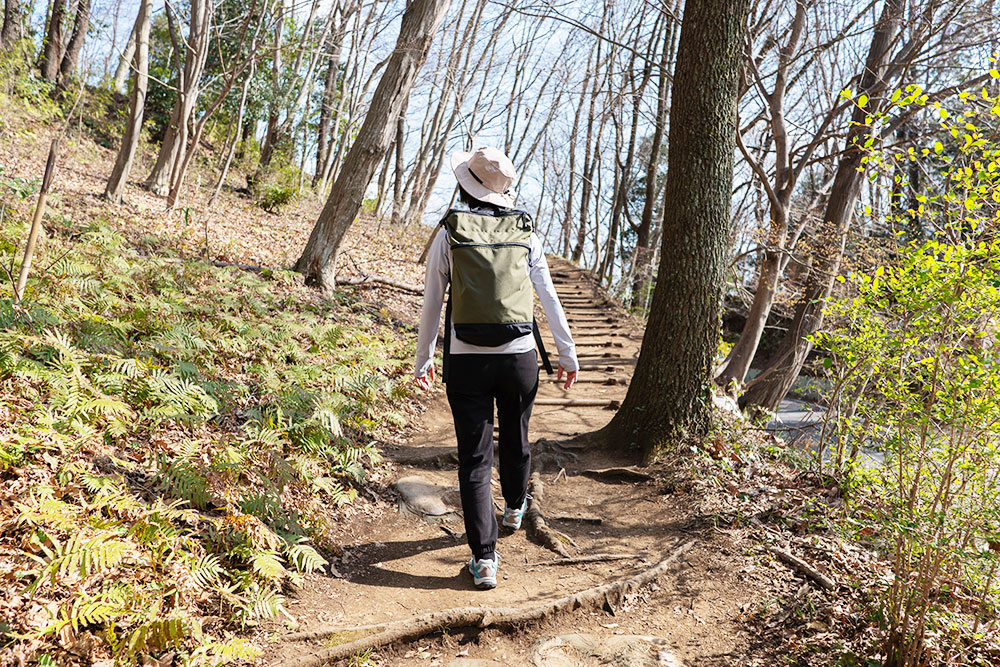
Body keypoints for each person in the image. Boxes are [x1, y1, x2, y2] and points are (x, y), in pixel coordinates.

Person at [414, 146, 579, 590]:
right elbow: (547, 295)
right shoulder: (525, 230)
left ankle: (485, 559)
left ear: (467, 183)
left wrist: (423, 358)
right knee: (517, 434)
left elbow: (433, 301)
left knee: (473, 457)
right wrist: (567, 353)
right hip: (520, 357)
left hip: (466, 361)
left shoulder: (450, 232)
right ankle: (514, 507)